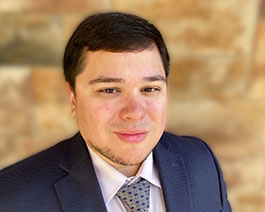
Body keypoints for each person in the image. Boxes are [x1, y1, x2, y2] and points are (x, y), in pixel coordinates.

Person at [0, 12, 231, 212]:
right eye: (109, 90)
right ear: (73, 98)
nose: (134, 112)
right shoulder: (12, 197)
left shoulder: (201, 162)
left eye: (150, 89)